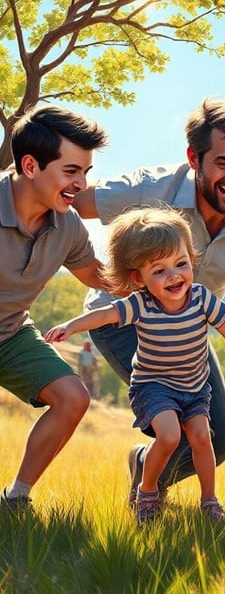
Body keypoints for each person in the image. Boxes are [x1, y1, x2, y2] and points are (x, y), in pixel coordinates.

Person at [72, 98, 225, 506]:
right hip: (122, 321)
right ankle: (148, 503)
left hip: (188, 329)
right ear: (194, 158)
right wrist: (89, 268)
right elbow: (68, 201)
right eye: (224, 163)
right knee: (175, 428)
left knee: (219, 443)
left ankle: (145, 470)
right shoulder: (151, 188)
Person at [45, 206, 225, 523]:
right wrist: (72, 326)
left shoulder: (201, 297)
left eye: (180, 264)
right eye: (159, 271)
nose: (174, 276)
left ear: (192, 258)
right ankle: (147, 492)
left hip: (194, 387)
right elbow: (105, 316)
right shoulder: (140, 304)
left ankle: (210, 501)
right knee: (170, 436)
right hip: (154, 387)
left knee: (204, 439)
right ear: (139, 279)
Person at [0, 104, 107, 512]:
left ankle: (15, 498)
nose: (81, 184)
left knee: (72, 397)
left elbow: (98, 277)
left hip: (10, 335)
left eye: (85, 173)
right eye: (71, 171)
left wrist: (163, 273)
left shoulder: (68, 227)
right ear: (30, 165)